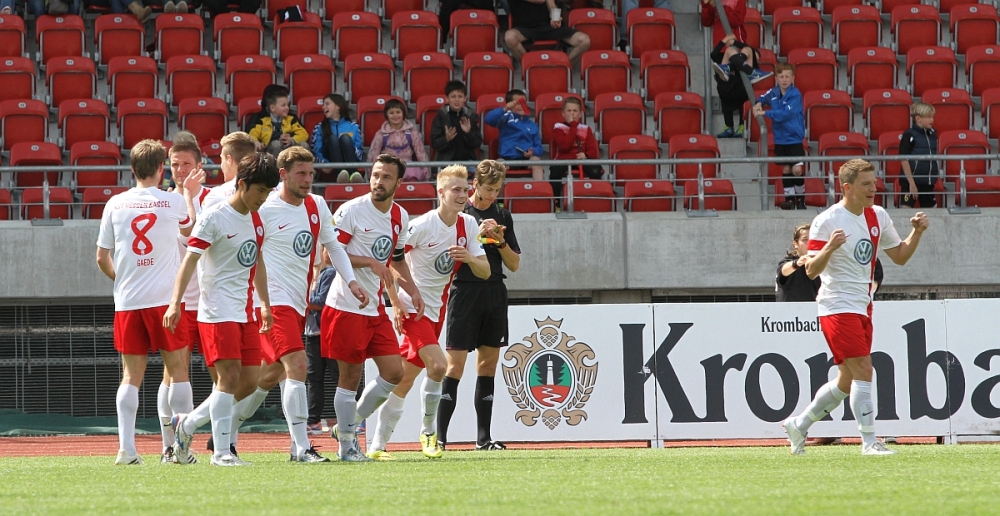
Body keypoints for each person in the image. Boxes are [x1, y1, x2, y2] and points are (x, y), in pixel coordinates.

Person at [783, 158, 929, 456]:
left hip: (863, 304)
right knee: (864, 368)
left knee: (847, 380)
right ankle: (869, 442)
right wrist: (829, 247)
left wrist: (917, 232)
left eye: (874, 183)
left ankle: (799, 424)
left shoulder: (878, 215)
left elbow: (900, 256)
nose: (873, 189)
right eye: (866, 184)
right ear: (847, 188)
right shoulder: (827, 220)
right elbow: (811, 270)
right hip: (837, 303)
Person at [234, 146, 369, 463]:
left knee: (271, 375)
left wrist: (351, 281)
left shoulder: (316, 204)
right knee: (297, 366)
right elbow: (249, 254)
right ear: (283, 175)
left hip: (299, 303)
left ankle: (215, 426)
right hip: (272, 302)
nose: (308, 179)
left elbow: (334, 247)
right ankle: (302, 447)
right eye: (301, 173)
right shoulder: (265, 208)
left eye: (311, 173)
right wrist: (259, 301)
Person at [164, 153, 281, 467]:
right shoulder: (214, 217)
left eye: (268, 192)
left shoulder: (257, 220)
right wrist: (175, 302)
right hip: (217, 310)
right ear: (241, 184)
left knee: (249, 381)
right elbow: (190, 261)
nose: (263, 198)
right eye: (260, 190)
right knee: (228, 378)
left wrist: (264, 303)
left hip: (245, 311)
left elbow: (257, 262)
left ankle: (187, 424)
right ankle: (222, 453)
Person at [367, 165, 491, 461]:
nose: (462, 195)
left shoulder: (468, 225)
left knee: (402, 378)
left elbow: (485, 271)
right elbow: (390, 261)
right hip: (413, 308)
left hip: (435, 311)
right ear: (441, 192)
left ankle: (371, 441)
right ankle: (428, 433)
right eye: (456, 190)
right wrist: (395, 302)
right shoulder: (422, 225)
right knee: (438, 366)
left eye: (465, 190)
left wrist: (469, 258)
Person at [95, 139, 198, 465]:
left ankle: (126, 449)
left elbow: (101, 257)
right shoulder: (172, 201)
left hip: (128, 302)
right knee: (178, 370)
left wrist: (122, 281)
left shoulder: (114, 203)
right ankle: (181, 450)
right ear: (160, 168)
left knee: (130, 376)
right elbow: (191, 230)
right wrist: (188, 196)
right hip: (165, 301)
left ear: (132, 168)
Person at [321, 154, 424, 462]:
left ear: (399, 183)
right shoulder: (351, 210)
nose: (378, 181)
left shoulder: (400, 216)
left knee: (394, 372)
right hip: (346, 305)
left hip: (375, 307)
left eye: (386, 177)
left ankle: (346, 426)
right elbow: (329, 255)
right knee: (350, 377)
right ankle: (347, 446)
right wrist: (368, 261)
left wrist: (412, 290)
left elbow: (396, 259)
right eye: (376, 175)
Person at [437, 159, 520, 450]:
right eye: (488, 189)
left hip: (494, 292)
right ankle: (440, 438)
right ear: (475, 185)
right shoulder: (461, 213)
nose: (493, 195)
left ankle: (483, 439)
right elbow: (446, 253)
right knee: (454, 366)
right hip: (464, 291)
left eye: (497, 190)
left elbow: (515, 264)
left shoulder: (502, 215)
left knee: (488, 365)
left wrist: (499, 241)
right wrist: (477, 235)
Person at [156, 139, 210, 464]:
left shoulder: (215, 199)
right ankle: (172, 447)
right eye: (174, 164)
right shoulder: (164, 203)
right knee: (174, 371)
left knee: (225, 372)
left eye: (186, 164)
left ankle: (224, 443)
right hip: (178, 302)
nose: (180, 170)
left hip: (213, 300)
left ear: (199, 166)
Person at [753, 62, 805, 210]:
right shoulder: (774, 92)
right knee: (786, 169)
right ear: (776, 78)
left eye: (787, 76)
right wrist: (758, 103)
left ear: (793, 78)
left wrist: (765, 113)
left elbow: (786, 114)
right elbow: (763, 97)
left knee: (797, 170)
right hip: (780, 139)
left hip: (794, 138)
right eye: (781, 76)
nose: (784, 79)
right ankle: (789, 200)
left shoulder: (795, 94)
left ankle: (801, 199)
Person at [305, 248, 338, 434]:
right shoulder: (317, 274)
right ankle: (313, 421)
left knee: (339, 375)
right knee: (314, 378)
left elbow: (321, 302)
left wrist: (302, 297)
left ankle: (357, 416)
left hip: (328, 333)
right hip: (313, 333)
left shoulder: (331, 272)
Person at [711, 34, 770, 138]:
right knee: (730, 50)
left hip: (741, 92)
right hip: (726, 88)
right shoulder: (733, 58)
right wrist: (727, 40)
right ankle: (728, 126)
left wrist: (734, 42)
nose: (754, 60)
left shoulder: (752, 65)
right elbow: (713, 55)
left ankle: (742, 125)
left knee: (745, 93)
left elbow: (750, 50)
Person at [549, 97, 601, 207]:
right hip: (564, 160)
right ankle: (556, 204)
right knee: (555, 171)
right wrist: (573, 125)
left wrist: (586, 155)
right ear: (563, 113)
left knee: (596, 169)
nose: (572, 113)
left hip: (581, 159)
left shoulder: (586, 129)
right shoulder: (558, 127)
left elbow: (593, 149)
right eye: (569, 111)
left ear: (580, 114)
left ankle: (595, 199)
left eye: (575, 111)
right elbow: (565, 146)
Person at [504, 0, 591, 66]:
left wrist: (555, 17)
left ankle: (563, 66)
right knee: (510, 38)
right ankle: (529, 65)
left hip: (549, 27)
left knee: (584, 41)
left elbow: (552, 6)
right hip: (524, 28)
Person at [484, 89, 544, 181]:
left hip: (527, 159)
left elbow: (539, 147)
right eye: (518, 103)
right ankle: (498, 191)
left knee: (537, 161)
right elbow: (488, 119)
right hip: (507, 158)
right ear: (510, 104)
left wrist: (533, 151)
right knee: (497, 167)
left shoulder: (532, 125)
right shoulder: (505, 119)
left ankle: (540, 189)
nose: (521, 106)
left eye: (523, 103)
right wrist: (504, 109)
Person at [368, 99, 430, 182]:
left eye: (398, 112)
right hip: (388, 166)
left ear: (403, 113)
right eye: (391, 113)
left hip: (408, 166)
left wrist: (426, 173)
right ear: (386, 115)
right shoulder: (381, 134)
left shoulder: (412, 133)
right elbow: (374, 155)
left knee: (411, 172)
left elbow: (420, 153)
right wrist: (372, 174)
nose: (395, 115)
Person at [310, 93, 364, 184]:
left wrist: (351, 152)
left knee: (345, 138)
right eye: (323, 104)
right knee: (333, 139)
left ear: (338, 106)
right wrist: (324, 163)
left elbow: (359, 151)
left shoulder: (353, 126)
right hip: (330, 162)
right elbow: (315, 151)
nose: (323, 107)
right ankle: (341, 174)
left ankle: (353, 174)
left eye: (327, 104)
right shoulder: (319, 127)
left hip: (350, 159)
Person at [201, 132, 261, 211]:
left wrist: (188, 196)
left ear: (229, 160)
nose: (221, 165)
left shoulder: (216, 196)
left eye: (222, 159)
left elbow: (198, 219)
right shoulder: (270, 192)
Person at [430, 81, 483, 169]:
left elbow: (477, 143)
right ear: (447, 98)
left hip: (468, 162)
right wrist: (446, 139)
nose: (457, 100)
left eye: (460, 96)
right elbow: (435, 144)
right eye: (453, 96)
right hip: (446, 163)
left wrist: (468, 133)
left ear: (465, 98)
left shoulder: (470, 117)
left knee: (481, 173)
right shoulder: (440, 118)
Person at [898, 102, 940, 209]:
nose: (932, 120)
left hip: (927, 182)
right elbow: (904, 159)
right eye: (929, 117)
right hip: (910, 183)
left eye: (932, 117)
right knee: (906, 211)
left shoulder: (932, 135)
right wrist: (911, 183)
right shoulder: (909, 135)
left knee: (931, 213)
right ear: (918, 118)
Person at [248, 88, 309, 158]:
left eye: (288, 105)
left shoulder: (291, 120)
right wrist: (256, 142)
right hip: (270, 151)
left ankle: (302, 165)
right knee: (276, 144)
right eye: (283, 105)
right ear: (272, 108)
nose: (287, 108)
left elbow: (304, 134)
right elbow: (252, 134)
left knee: (304, 145)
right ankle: (276, 165)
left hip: (289, 149)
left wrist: (292, 140)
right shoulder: (262, 121)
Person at [775, 223, 821, 302]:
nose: (809, 243)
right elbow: (783, 270)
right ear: (795, 244)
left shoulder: (822, 263)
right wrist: (797, 263)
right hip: (790, 309)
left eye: (812, 239)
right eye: (805, 239)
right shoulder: (789, 262)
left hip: (815, 308)